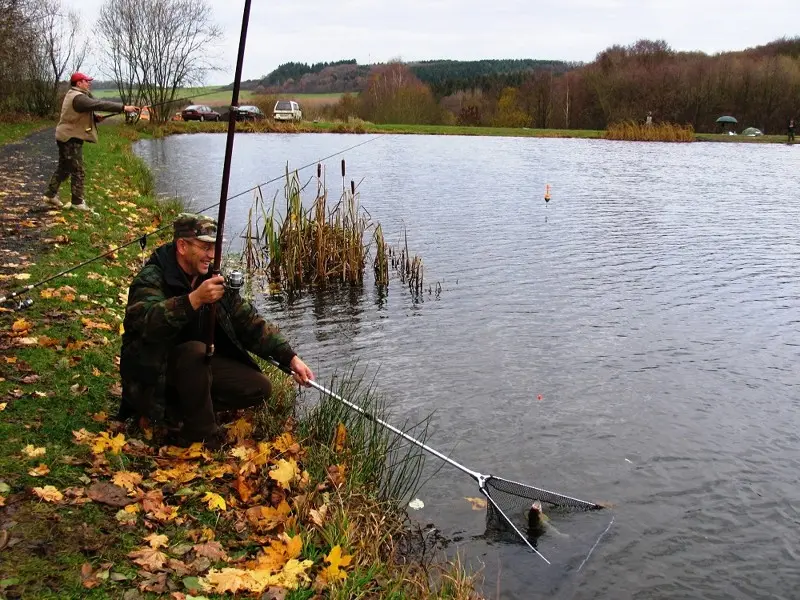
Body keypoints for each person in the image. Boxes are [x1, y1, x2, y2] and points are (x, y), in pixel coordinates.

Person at [118, 213, 314, 448]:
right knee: (195, 352)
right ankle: (201, 435)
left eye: (214, 247)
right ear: (182, 246)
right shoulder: (151, 278)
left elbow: (249, 322)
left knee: (259, 387)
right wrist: (193, 300)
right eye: (204, 247)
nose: (211, 255)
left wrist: (290, 357)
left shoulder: (211, 277)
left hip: (193, 369)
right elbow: (147, 324)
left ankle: (183, 410)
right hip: (150, 378)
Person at [42, 72, 139, 213]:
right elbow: (99, 104)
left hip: (65, 136)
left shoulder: (74, 95)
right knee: (78, 171)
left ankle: (50, 195)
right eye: (86, 81)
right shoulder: (79, 97)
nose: (89, 83)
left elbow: (79, 113)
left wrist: (94, 118)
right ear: (79, 83)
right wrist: (124, 108)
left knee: (64, 168)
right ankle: (77, 202)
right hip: (70, 138)